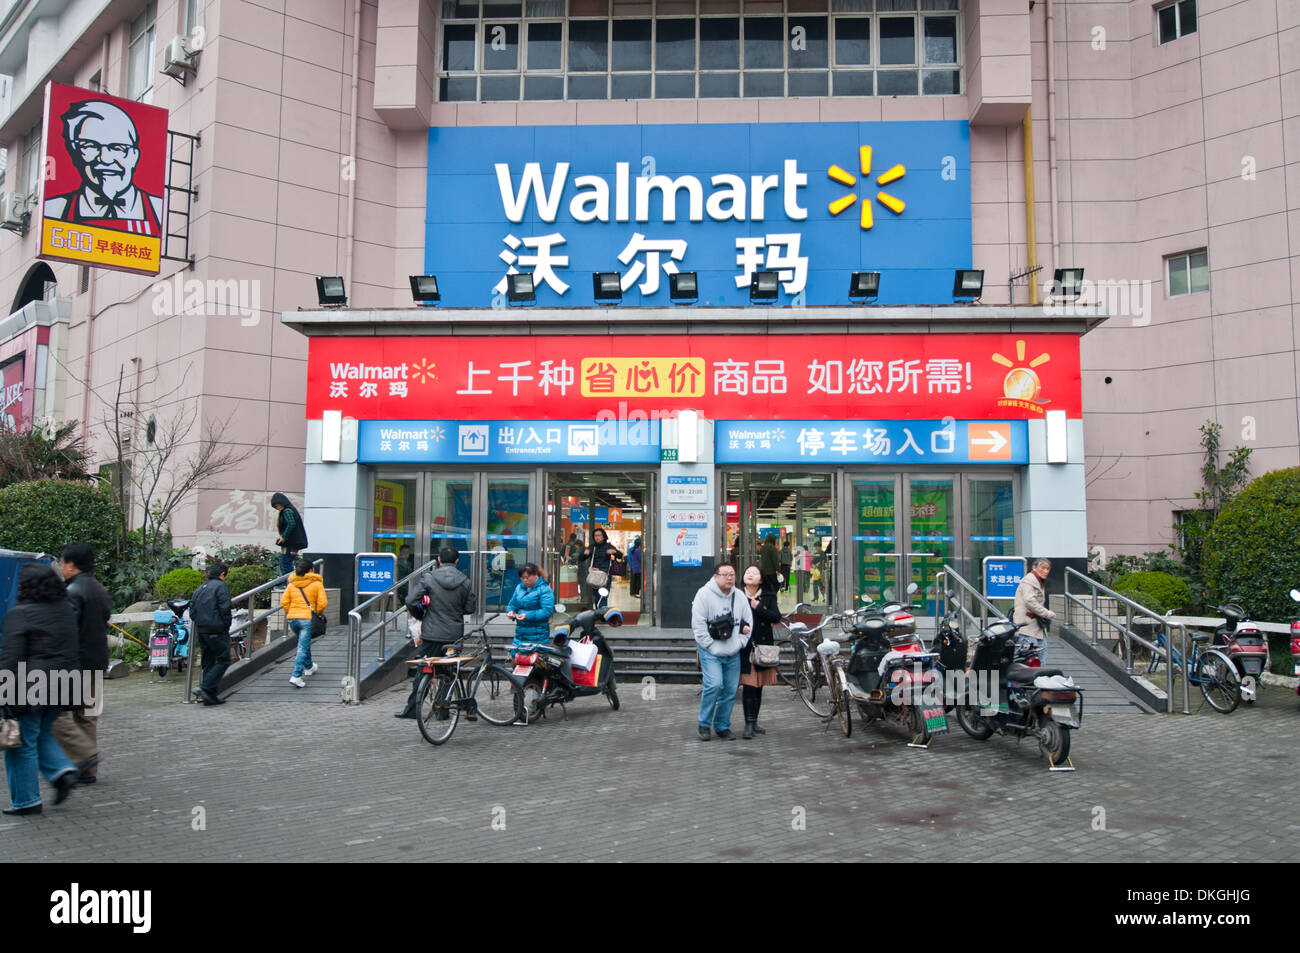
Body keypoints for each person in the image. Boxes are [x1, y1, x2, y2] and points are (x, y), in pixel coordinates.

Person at [1, 564, 81, 815]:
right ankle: (62, 771)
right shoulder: (66, 609)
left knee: (22, 743)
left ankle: (26, 801)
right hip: (64, 682)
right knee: (42, 733)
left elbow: (10, 658)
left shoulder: (20, 613)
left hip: (31, 687)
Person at [43, 99, 164, 235]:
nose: (105, 159)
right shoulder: (54, 210)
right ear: (76, 153)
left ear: (135, 156)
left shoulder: (159, 209)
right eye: (90, 146)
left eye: (118, 148)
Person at [51, 543, 111, 784]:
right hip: (97, 661)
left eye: (63, 563)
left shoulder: (72, 591)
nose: (61, 567)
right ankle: (88, 770)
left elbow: (66, 629)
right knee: (88, 716)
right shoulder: (99, 589)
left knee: (56, 714)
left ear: (71, 565)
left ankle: (82, 757)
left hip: (75, 663)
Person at [396, 546, 475, 720]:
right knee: (449, 671)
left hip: (431, 633)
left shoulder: (429, 578)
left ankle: (411, 710)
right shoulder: (465, 581)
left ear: (439, 560)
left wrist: (421, 615)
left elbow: (410, 601)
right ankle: (442, 710)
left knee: (424, 670)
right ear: (456, 561)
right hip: (454, 635)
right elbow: (470, 608)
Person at [690, 564, 753, 741]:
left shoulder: (739, 595)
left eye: (732, 574)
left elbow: (748, 620)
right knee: (714, 685)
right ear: (715, 576)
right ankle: (703, 724)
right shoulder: (704, 594)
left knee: (731, 690)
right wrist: (710, 645)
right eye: (725, 574)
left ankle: (722, 726)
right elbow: (698, 625)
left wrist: (740, 643)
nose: (729, 578)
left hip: (733, 652)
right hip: (711, 651)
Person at [738, 566, 781, 739]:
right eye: (747, 572)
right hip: (745, 647)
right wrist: (742, 627)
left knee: (759, 687)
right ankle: (748, 724)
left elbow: (776, 617)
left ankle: (754, 721)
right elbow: (731, 616)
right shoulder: (737, 595)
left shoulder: (768, 596)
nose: (750, 574)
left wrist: (758, 607)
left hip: (763, 649)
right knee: (749, 686)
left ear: (761, 579)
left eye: (754, 573)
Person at [189, 562, 233, 706]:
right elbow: (225, 608)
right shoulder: (221, 586)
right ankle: (205, 687)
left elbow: (192, 611)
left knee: (208, 661)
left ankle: (210, 696)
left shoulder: (200, 588)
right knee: (224, 659)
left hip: (202, 629)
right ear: (222, 575)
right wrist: (226, 624)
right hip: (216, 629)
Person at [281, 558, 327, 688]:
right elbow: (323, 603)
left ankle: (309, 666)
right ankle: (296, 675)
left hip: (292, 619)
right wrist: (317, 612)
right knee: (302, 646)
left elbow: (284, 602)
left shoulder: (291, 584)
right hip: (306, 618)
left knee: (304, 643)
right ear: (311, 570)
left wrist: (291, 612)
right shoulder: (316, 584)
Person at [1013, 557, 1057, 663]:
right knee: (1028, 659)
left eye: (1048, 569)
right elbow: (1030, 601)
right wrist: (1046, 613)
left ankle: (1039, 678)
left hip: (1035, 628)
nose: (1046, 571)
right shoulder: (1030, 580)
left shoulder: (1037, 580)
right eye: (1043, 568)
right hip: (1027, 627)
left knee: (1040, 656)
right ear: (1034, 567)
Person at [506, 563, 555, 655]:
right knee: (515, 660)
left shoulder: (544, 589)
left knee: (533, 663)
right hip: (520, 633)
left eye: (527, 577)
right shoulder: (519, 588)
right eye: (522, 578)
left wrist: (527, 615)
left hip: (537, 634)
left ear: (536, 575)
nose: (525, 580)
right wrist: (510, 611)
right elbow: (512, 604)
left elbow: (547, 611)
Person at [581, 526, 622, 608]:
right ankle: (598, 612)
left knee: (603, 596)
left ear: (603, 536)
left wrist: (614, 552)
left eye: (599, 535)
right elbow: (581, 559)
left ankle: (602, 614)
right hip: (595, 576)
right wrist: (584, 554)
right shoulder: (592, 547)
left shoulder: (608, 546)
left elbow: (620, 555)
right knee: (596, 597)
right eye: (595, 535)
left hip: (605, 575)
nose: (597, 537)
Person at [270, 492, 308, 576]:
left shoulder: (287, 510)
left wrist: (284, 536)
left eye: (277, 505)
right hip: (294, 543)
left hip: (290, 542)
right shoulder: (290, 509)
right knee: (288, 563)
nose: (277, 507)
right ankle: (289, 582)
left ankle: (287, 583)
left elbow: (291, 524)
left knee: (285, 563)